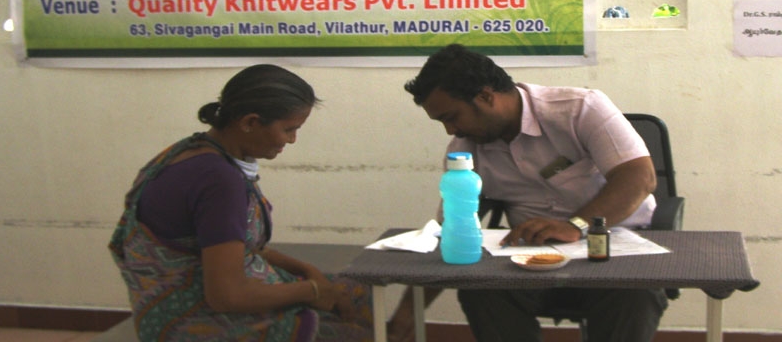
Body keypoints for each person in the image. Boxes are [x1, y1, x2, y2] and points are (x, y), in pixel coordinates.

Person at [387, 44, 667, 342]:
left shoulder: (580, 108)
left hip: (613, 246)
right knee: (480, 292)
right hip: (531, 256)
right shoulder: (465, 151)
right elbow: (449, 234)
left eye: (453, 117)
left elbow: (639, 178)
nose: (450, 130)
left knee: (634, 294)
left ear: (485, 96)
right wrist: (408, 312)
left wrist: (575, 225)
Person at [108, 64, 373, 342]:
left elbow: (242, 248)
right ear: (249, 122)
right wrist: (312, 290)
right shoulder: (218, 180)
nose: (292, 140)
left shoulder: (188, 151)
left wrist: (306, 271)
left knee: (353, 290)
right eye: (288, 129)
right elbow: (227, 296)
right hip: (191, 322)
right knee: (351, 331)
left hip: (170, 307)